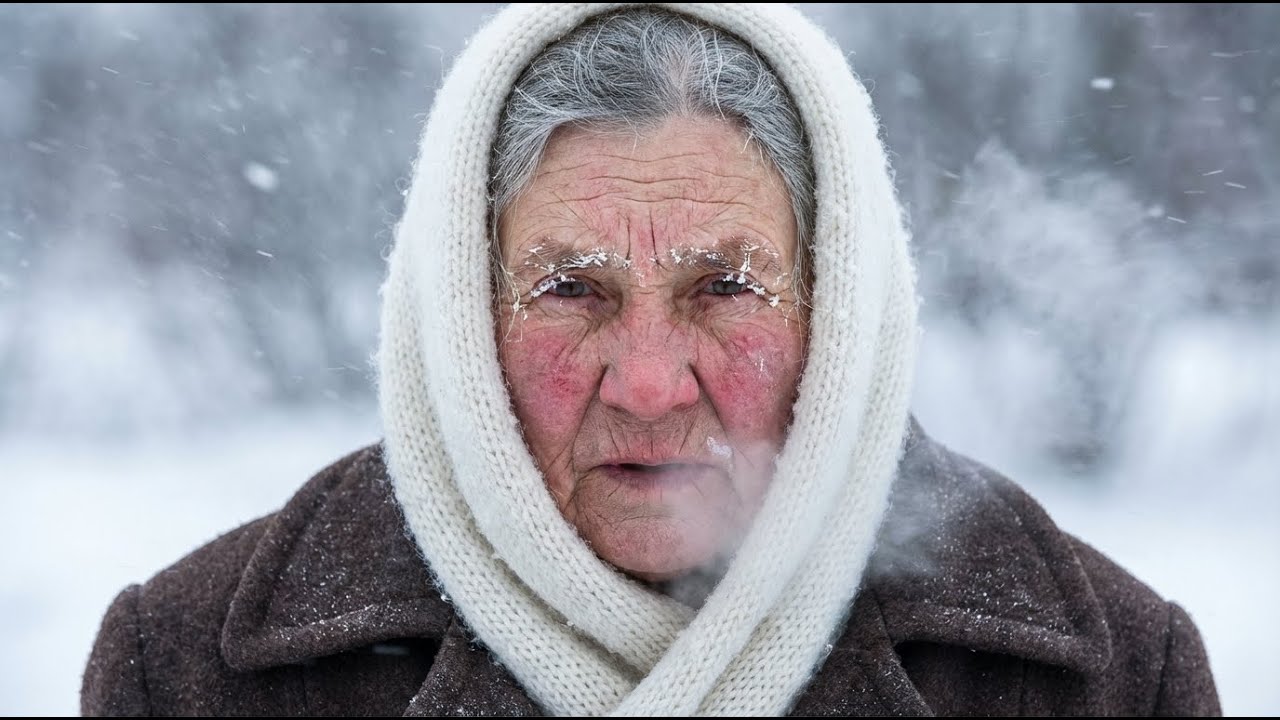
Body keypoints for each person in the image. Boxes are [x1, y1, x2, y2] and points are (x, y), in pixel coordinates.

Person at [81, 4, 1221, 716]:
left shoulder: (1105, 677)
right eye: (568, 290)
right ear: (464, 315)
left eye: (726, 288)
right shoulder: (191, 672)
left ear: (838, 309)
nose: (644, 382)